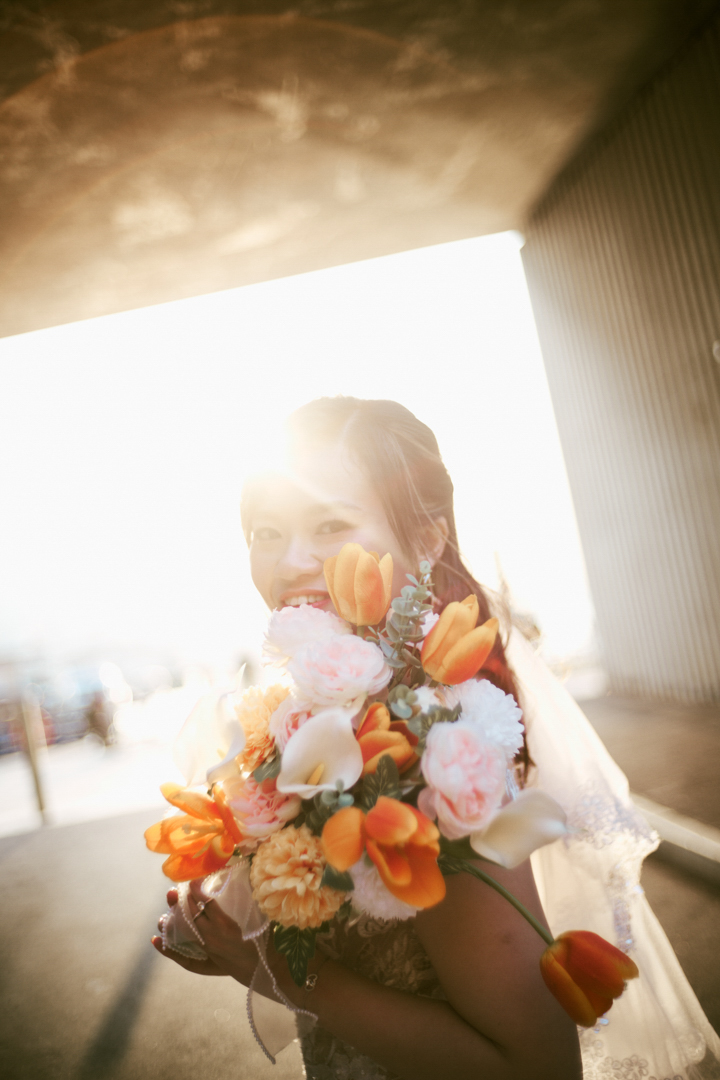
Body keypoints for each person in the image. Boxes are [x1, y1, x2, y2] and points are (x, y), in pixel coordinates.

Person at [152, 397, 720, 1080]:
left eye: (330, 524)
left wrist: (278, 971)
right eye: (266, 531)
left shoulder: (433, 752)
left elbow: (537, 1065)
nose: (292, 559)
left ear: (425, 539)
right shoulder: (327, 718)